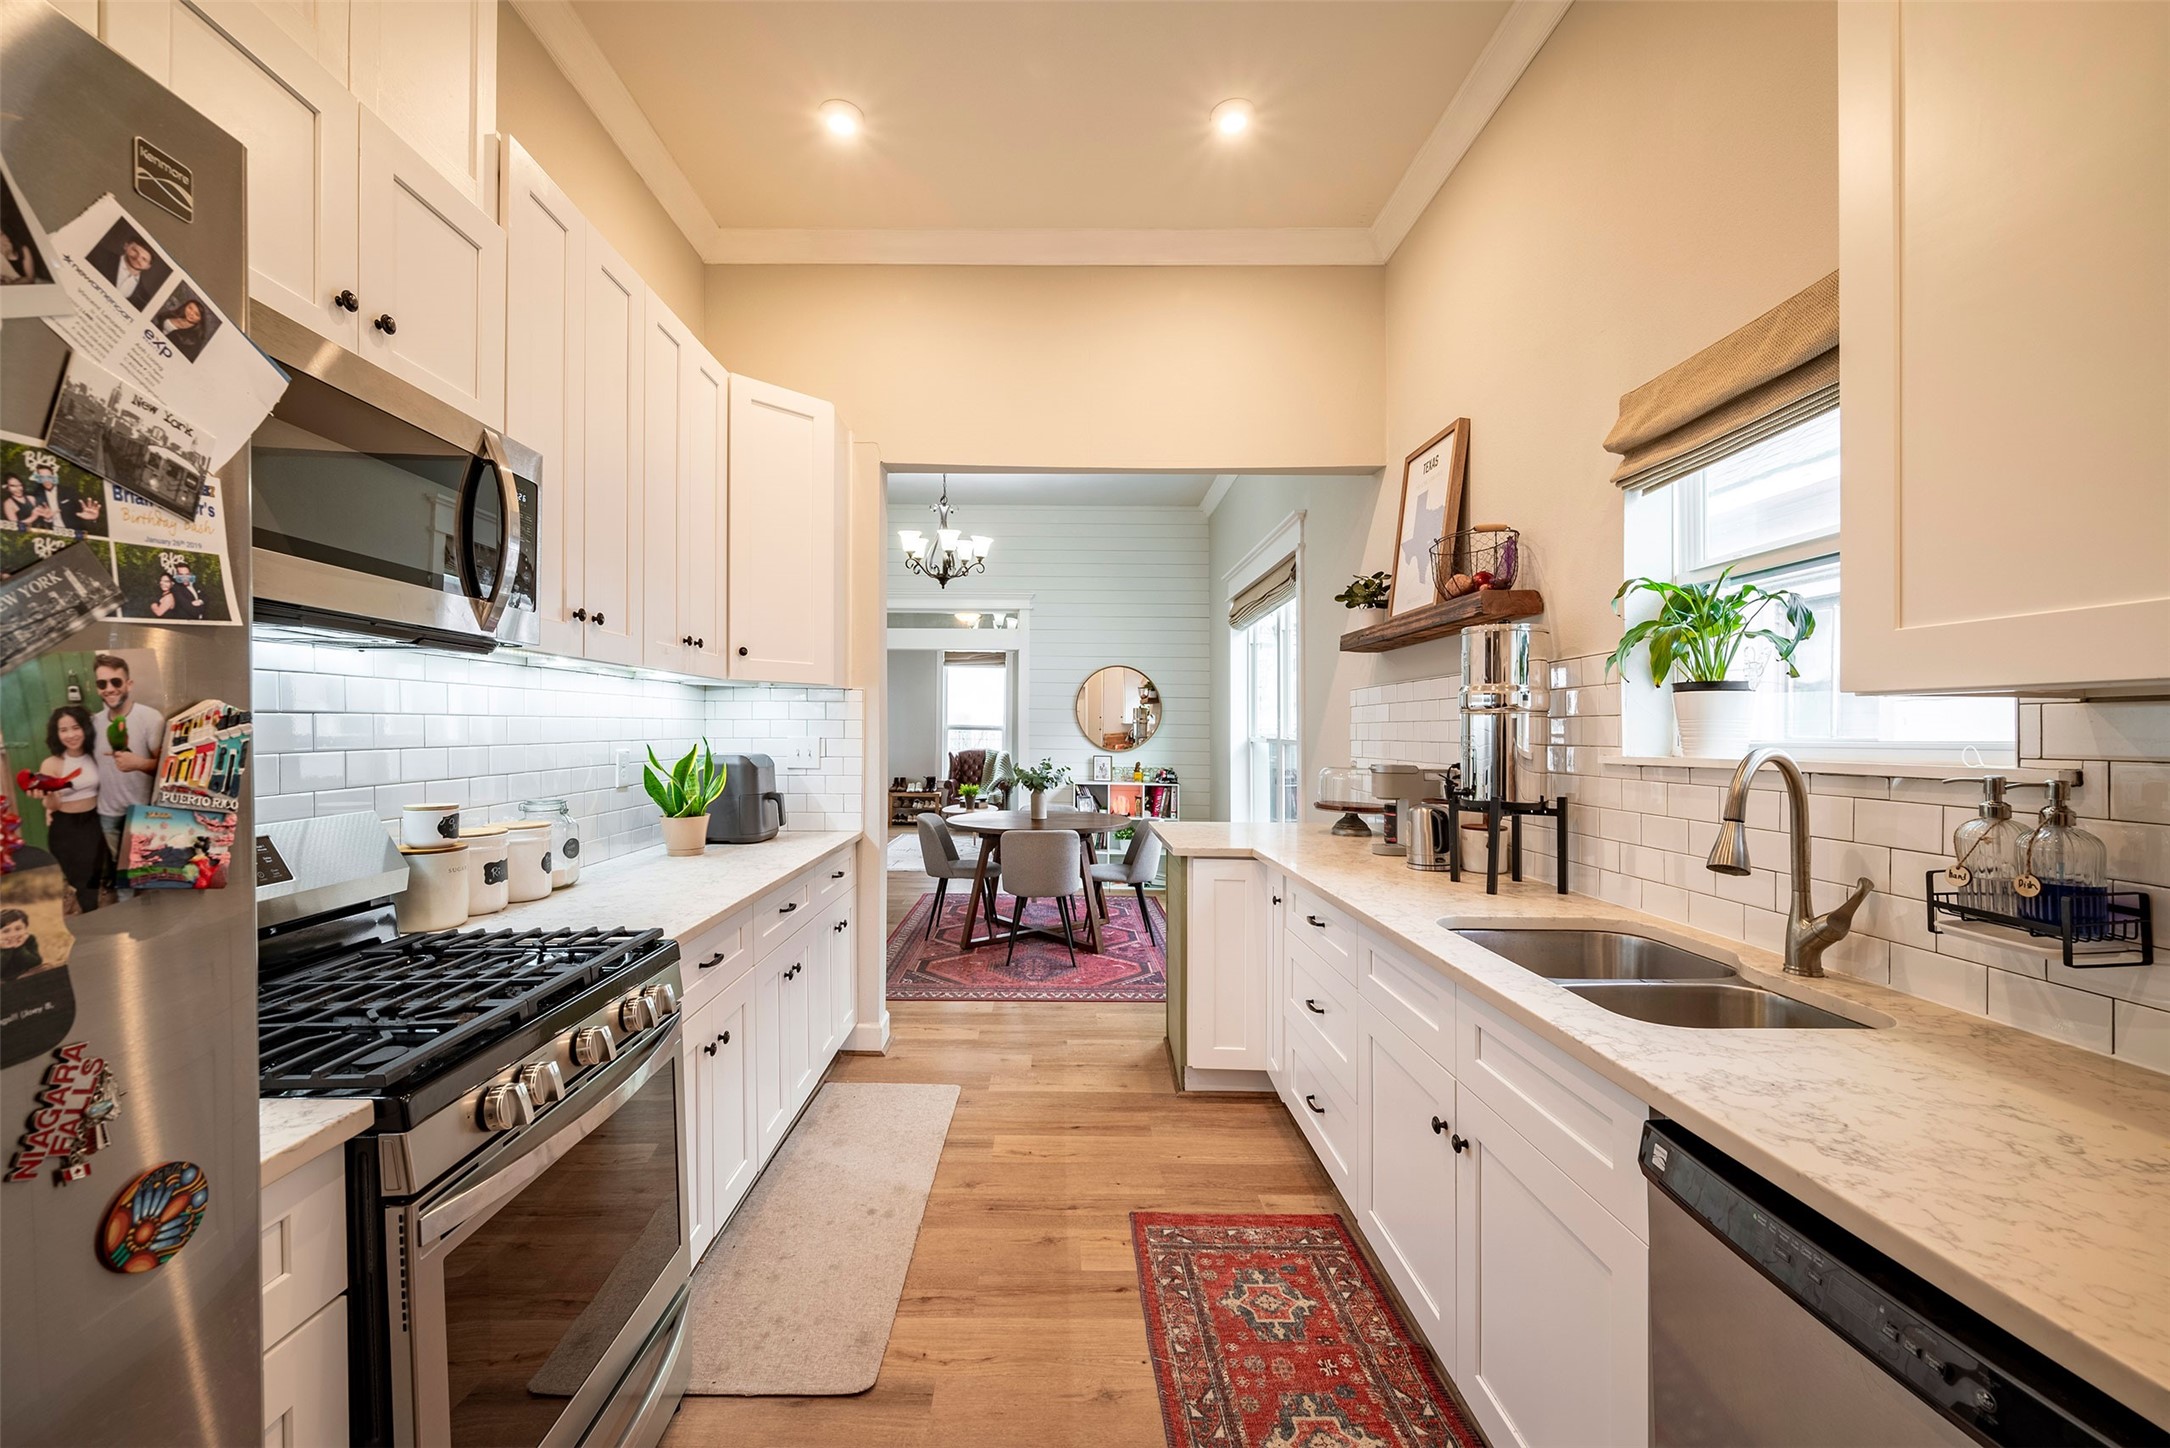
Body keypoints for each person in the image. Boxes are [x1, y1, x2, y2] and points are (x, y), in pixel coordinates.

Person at [89, 653, 161, 870]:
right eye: (102, 683)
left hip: (143, 813)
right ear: (97, 688)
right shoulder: (93, 723)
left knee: (148, 870)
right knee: (121, 872)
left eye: (116, 681)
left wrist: (138, 763)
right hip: (108, 814)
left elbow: (169, 768)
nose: (109, 688)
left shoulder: (150, 718)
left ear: (129, 684)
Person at [38, 706, 107, 913]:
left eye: (75, 727)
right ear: (56, 734)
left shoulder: (95, 756)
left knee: (92, 879)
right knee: (82, 882)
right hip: (66, 828)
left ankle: (89, 911)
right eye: (63, 730)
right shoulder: (51, 764)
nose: (70, 735)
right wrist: (51, 796)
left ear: (85, 728)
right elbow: (51, 805)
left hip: (93, 823)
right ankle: (91, 921)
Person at [82, 227, 167, 310]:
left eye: (144, 259)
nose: (137, 258)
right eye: (135, 251)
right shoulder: (98, 254)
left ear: (148, 266)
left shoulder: (144, 298)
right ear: (126, 246)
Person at [152, 294, 216, 362]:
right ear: (186, 306)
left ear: (200, 319)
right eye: (190, 308)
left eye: (196, 314)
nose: (191, 313)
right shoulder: (173, 315)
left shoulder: (194, 339)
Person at [0, 909, 40, 978]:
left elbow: (36, 963)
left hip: (25, 977)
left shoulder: (29, 939)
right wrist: (6, 950)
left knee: (47, 968)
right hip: (3, 982)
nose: (13, 934)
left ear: (26, 929)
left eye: (18, 929)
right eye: (6, 931)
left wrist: (19, 948)